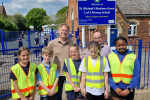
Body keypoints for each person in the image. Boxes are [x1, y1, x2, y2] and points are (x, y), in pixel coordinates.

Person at [48, 23, 76, 100]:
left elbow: (76, 56)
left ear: (68, 32)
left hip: (69, 73)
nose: (64, 32)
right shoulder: (52, 43)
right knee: (58, 96)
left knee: (71, 96)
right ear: (58, 31)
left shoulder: (73, 43)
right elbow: (46, 56)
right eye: (62, 30)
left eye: (66, 30)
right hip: (57, 74)